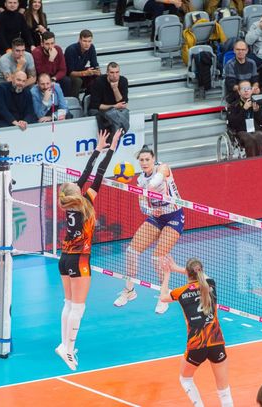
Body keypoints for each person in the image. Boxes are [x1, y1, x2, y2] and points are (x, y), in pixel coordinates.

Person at [55, 128, 122, 371]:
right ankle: (68, 349)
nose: (79, 184)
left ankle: (64, 345)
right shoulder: (86, 203)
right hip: (79, 259)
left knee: (68, 303)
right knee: (79, 307)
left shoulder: (68, 203)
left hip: (64, 258)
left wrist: (96, 149)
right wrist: (111, 148)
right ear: (77, 193)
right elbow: (98, 174)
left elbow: (84, 176)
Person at [113, 145, 183, 314]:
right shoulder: (140, 179)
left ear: (153, 159)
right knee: (131, 251)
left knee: (157, 258)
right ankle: (129, 290)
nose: (144, 162)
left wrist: (146, 188)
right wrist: (150, 210)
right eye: (141, 160)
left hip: (174, 216)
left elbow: (155, 182)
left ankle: (163, 296)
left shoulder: (163, 168)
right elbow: (143, 206)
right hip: (157, 217)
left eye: (147, 159)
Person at [159, 257, 233, 407]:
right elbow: (202, 275)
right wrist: (178, 268)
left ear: (188, 272)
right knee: (224, 390)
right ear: (200, 271)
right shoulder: (210, 284)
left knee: (185, 379)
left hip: (196, 345)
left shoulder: (180, 292)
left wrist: (167, 273)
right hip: (216, 342)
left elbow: (163, 297)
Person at [227, 80, 262, 157]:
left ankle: (260, 161)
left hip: (255, 130)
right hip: (242, 131)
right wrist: (244, 109)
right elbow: (233, 124)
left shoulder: (256, 103)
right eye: (243, 89)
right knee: (250, 139)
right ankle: (252, 162)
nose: (246, 91)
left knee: (260, 136)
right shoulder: (234, 106)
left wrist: (257, 111)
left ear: (251, 91)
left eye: (248, 88)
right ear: (239, 92)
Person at [88, 62, 129, 138]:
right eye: (112, 72)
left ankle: (119, 133)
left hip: (115, 110)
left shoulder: (123, 81)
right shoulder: (98, 82)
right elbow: (95, 105)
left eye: (117, 72)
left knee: (124, 111)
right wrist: (114, 106)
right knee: (112, 114)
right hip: (99, 110)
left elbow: (123, 103)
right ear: (107, 73)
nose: (115, 75)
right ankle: (118, 133)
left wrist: (115, 89)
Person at [64, 29, 100, 98]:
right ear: (79, 40)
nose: (87, 44)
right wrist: (85, 73)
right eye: (84, 41)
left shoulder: (91, 47)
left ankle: (89, 98)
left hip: (81, 71)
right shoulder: (71, 50)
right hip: (68, 75)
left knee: (99, 78)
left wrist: (97, 71)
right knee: (78, 81)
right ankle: (74, 101)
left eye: (89, 41)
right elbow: (70, 73)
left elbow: (95, 65)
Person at [32, 31, 70, 97]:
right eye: (47, 44)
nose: (50, 46)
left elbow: (63, 70)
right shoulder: (36, 52)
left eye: (52, 43)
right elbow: (42, 73)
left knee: (66, 81)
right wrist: (51, 59)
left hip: (54, 77)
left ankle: (64, 100)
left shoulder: (58, 49)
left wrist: (54, 78)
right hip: (42, 79)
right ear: (42, 44)